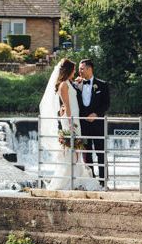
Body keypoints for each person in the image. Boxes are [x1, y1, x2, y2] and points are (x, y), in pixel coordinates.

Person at [38, 58, 101, 191]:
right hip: (70, 120)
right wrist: (71, 123)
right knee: (72, 149)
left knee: (76, 149)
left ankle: (76, 177)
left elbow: (73, 96)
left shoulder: (69, 83)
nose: (76, 72)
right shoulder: (63, 86)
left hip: (74, 119)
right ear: (68, 70)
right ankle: (68, 179)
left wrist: (77, 83)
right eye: (74, 69)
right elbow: (67, 106)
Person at [75, 59, 110, 187]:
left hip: (98, 125)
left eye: (82, 68)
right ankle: (91, 182)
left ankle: (103, 182)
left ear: (89, 69)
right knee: (86, 154)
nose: (79, 71)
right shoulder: (76, 85)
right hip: (83, 125)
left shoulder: (102, 85)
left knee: (101, 153)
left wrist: (96, 114)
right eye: (79, 69)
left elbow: (106, 104)